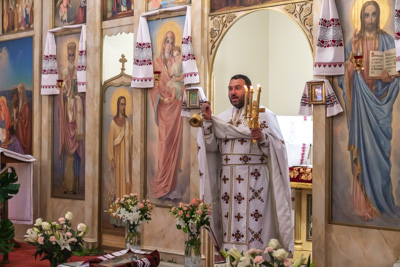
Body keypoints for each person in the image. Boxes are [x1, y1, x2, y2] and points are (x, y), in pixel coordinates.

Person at [200, 74, 293, 252]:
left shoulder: (264, 115)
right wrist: (206, 122)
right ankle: (232, 259)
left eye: (237, 88)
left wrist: (263, 137)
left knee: (255, 223)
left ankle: (257, 259)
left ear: (249, 91)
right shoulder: (221, 117)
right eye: (230, 88)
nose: (233, 92)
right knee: (231, 223)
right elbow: (212, 147)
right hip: (228, 183)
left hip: (255, 180)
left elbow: (279, 149)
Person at [338, 1, 400, 220]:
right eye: (367, 15)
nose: (371, 20)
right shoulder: (354, 42)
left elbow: (396, 73)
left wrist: (389, 78)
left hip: (380, 108)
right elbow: (349, 74)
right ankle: (363, 205)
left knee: (382, 155)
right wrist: (354, 51)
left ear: (379, 15)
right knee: (362, 154)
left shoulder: (387, 41)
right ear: (361, 17)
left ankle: (382, 203)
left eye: (375, 15)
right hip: (361, 108)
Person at [149, 31, 183, 200]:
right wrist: (161, 98)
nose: (169, 45)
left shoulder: (176, 61)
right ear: (162, 43)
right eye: (167, 42)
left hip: (176, 109)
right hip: (164, 109)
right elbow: (154, 88)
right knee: (164, 147)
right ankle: (162, 185)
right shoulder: (156, 63)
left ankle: (172, 188)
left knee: (175, 146)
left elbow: (182, 81)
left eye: (172, 42)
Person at [58, 41, 84, 195]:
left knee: (75, 156)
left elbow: (82, 94)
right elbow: (60, 93)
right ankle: (67, 186)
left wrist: (77, 97)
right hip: (68, 121)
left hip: (77, 117)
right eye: (69, 54)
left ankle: (75, 186)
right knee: (68, 155)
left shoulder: (79, 73)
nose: (71, 57)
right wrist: (65, 95)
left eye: (73, 54)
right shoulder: (64, 73)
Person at [107, 96, 132, 199]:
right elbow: (110, 142)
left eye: (124, 104)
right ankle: (118, 206)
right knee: (118, 180)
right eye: (121, 104)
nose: (123, 106)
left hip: (126, 156)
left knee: (127, 179)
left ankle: (127, 206)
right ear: (118, 105)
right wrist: (111, 158)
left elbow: (131, 137)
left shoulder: (128, 121)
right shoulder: (113, 123)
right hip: (117, 156)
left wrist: (129, 137)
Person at [15, 83, 32, 155]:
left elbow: (25, 121)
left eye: (19, 93)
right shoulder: (21, 104)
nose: (19, 95)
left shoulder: (26, 105)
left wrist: (18, 116)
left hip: (25, 132)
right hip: (20, 131)